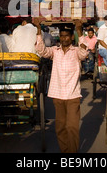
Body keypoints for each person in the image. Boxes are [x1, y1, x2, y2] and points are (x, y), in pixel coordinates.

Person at [34, 18, 89, 153]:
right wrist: (39, 29)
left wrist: (79, 31)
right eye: (62, 36)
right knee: (60, 127)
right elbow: (41, 50)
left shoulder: (76, 51)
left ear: (71, 37)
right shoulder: (54, 51)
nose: (64, 39)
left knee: (72, 127)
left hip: (72, 95)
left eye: (67, 36)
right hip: (57, 95)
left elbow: (84, 53)